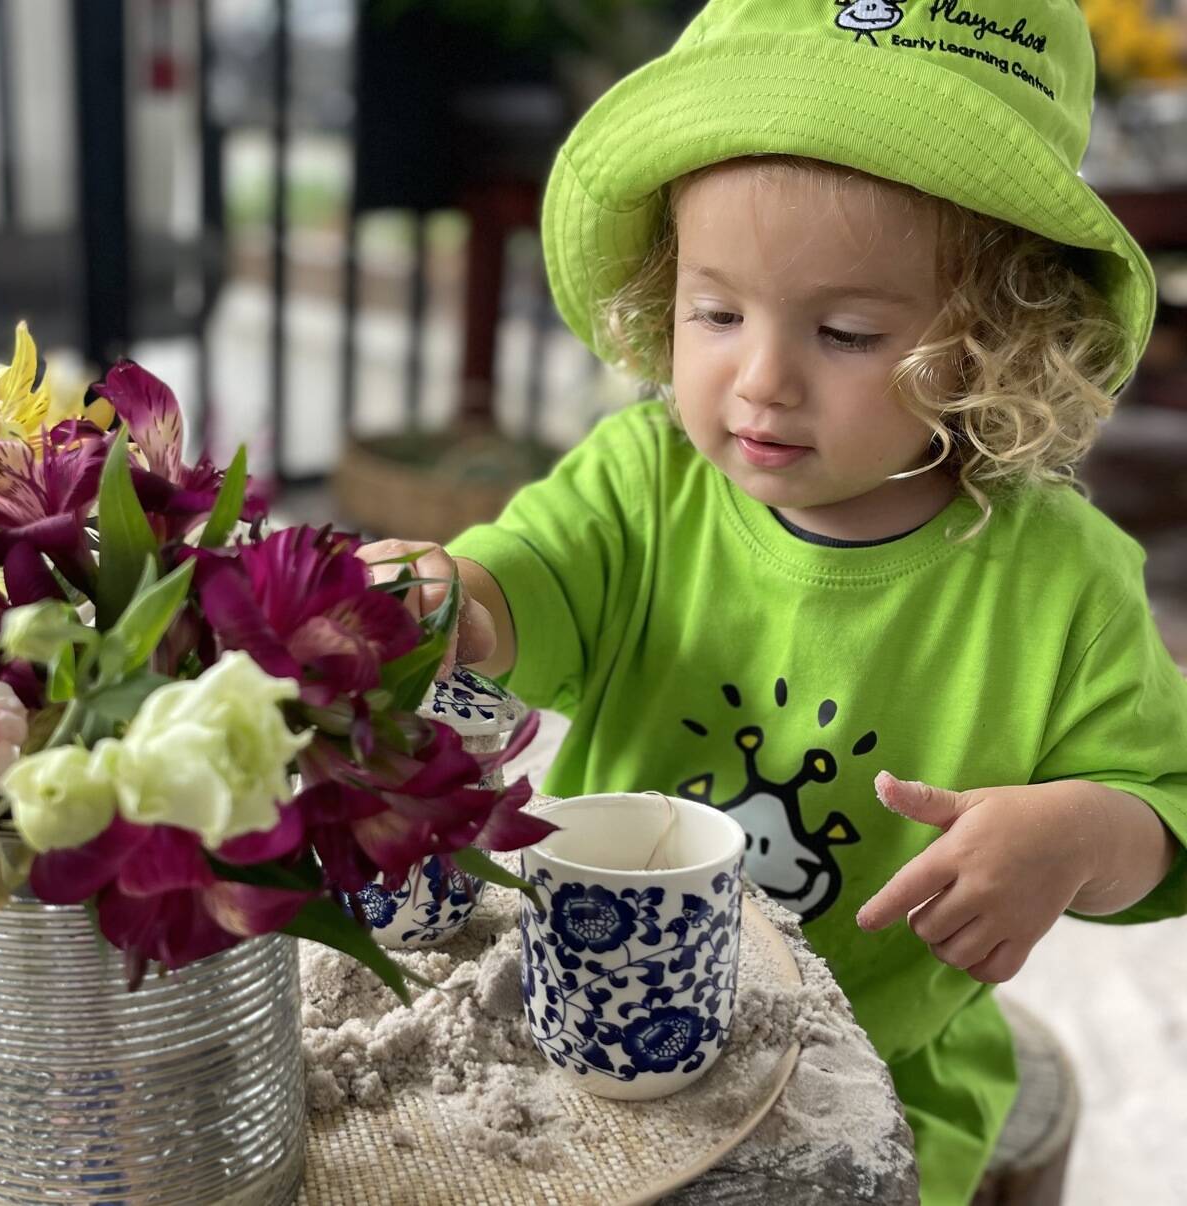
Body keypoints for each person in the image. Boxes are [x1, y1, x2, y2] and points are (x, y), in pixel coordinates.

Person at [360, 2, 1187, 1202]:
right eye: (713, 312)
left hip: (879, 1077)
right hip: (586, 1025)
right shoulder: (643, 479)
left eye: (844, 332)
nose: (759, 380)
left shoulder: (1064, 583)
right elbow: (520, 585)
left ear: (995, 344)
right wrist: (453, 595)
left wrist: (1079, 835)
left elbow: (1167, 809)